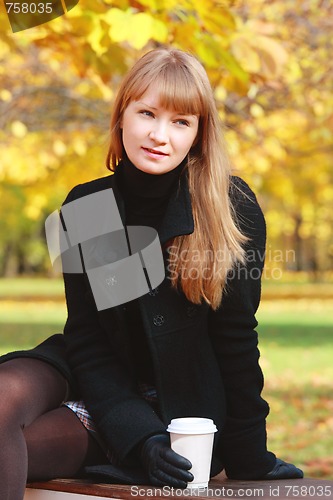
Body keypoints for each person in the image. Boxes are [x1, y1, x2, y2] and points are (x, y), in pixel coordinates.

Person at [0, 48, 303, 499]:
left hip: (175, 403)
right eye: (147, 113)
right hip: (96, 373)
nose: (160, 135)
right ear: (122, 115)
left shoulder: (228, 208)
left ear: (199, 134)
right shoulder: (86, 207)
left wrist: (247, 455)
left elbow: (237, 340)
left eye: (181, 121)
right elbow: (88, 339)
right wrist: (138, 435)